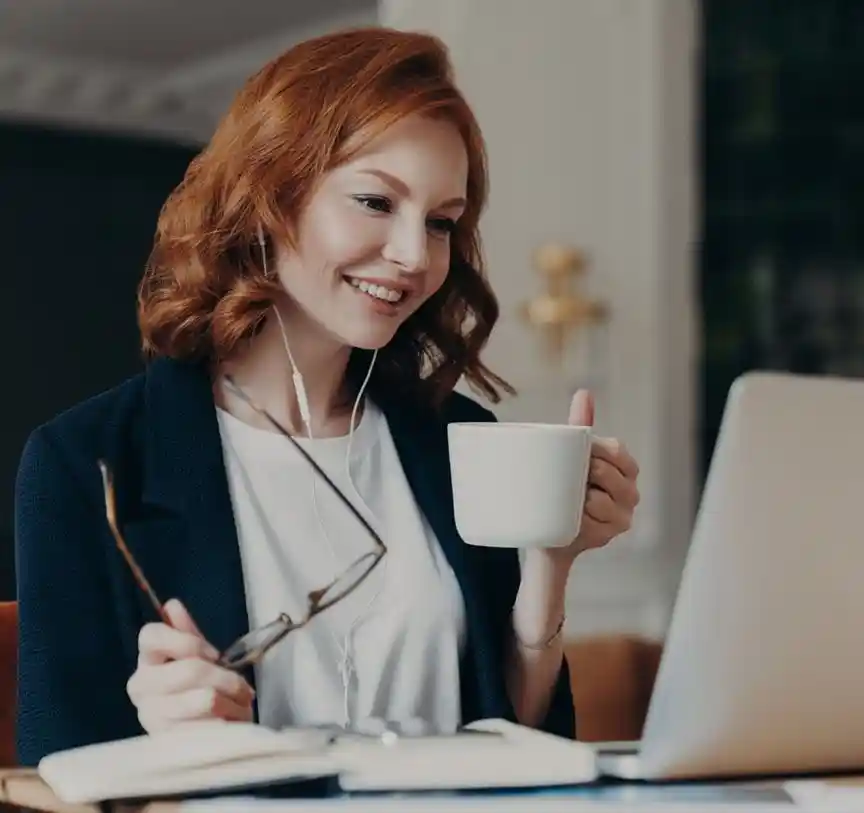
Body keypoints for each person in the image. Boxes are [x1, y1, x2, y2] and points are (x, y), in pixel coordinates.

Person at [13, 27, 640, 767]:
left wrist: (549, 567)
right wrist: (158, 740)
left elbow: (523, 748)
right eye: (376, 200)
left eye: (441, 221)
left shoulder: (460, 443)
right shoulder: (88, 461)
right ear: (268, 197)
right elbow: (53, 775)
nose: (414, 254)